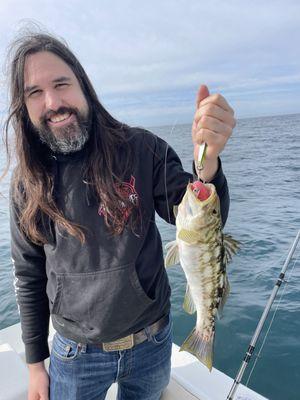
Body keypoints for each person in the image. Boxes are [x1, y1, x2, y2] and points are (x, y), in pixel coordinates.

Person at [4, 31, 236, 400]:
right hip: (74, 354)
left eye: (61, 84)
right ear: (24, 106)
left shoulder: (142, 149)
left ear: (84, 86)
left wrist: (206, 168)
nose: (52, 102)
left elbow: (200, 219)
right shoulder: (27, 185)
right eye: (34, 92)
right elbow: (28, 275)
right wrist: (36, 367)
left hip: (152, 341)